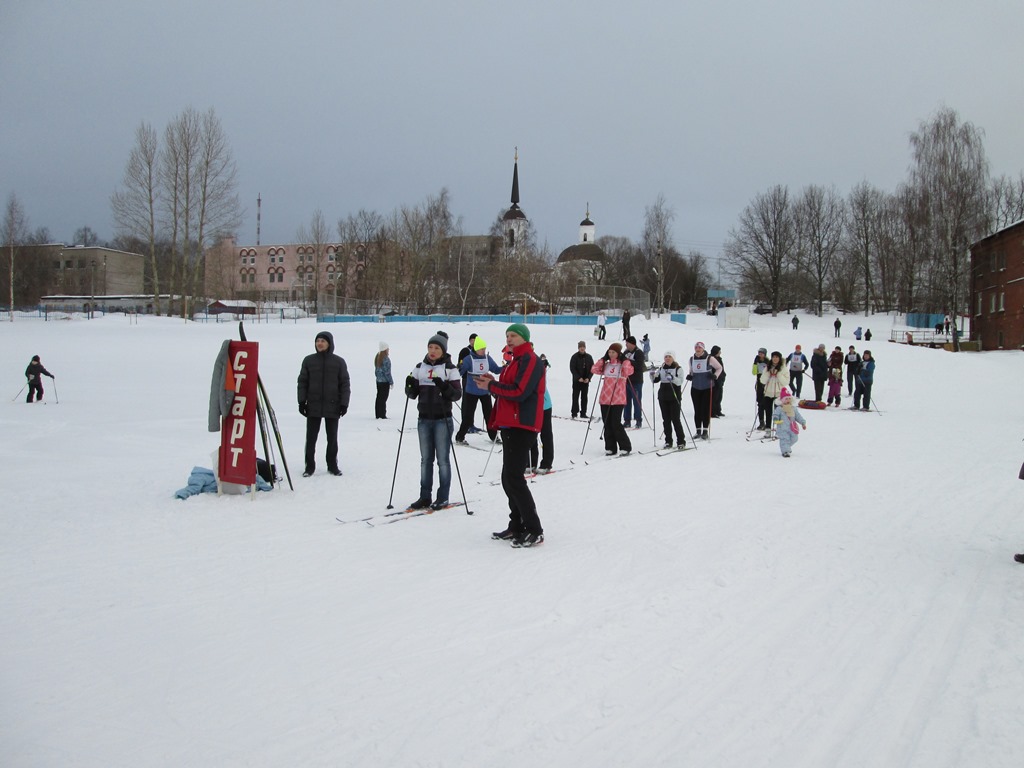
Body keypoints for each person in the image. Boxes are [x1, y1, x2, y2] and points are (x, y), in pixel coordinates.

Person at [475, 323, 546, 548]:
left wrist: (492, 385)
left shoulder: (531, 360)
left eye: (514, 335)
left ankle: (534, 529)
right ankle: (516, 525)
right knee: (508, 478)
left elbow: (520, 392)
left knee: (514, 478)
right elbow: (505, 388)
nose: (509, 339)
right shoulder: (513, 361)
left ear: (524, 338)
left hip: (522, 424)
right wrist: (491, 382)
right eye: (507, 335)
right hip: (509, 423)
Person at [404, 333, 463, 509]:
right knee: (425, 460)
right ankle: (425, 496)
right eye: (430, 347)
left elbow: (457, 395)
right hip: (424, 419)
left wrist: (444, 386)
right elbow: (412, 395)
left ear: (443, 350)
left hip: (442, 420)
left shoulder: (450, 369)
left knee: (443, 460)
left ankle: (443, 496)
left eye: (437, 348)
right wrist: (409, 386)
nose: (433, 351)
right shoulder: (419, 367)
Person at [297, 331, 351, 477]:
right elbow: (302, 382)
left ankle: (332, 465)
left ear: (329, 344)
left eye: (323, 341)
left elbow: (344, 384)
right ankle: (309, 466)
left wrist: (344, 403)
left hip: (333, 405)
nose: (319, 343)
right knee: (311, 438)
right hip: (313, 405)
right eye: (317, 341)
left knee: (332, 438)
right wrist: (302, 401)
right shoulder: (308, 361)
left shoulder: (339, 362)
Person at [455, 336, 500, 444]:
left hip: (485, 391)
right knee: (468, 416)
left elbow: (496, 370)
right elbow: (459, 373)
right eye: (481, 349)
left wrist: (507, 367)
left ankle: (494, 437)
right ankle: (460, 437)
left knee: (489, 415)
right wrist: (458, 368)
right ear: (476, 349)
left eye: (484, 348)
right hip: (471, 392)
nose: (483, 351)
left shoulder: (487, 358)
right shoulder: (469, 359)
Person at [591, 342, 633, 456]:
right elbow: (594, 369)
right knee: (607, 423)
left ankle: (625, 446)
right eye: (609, 352)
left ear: (618, 353)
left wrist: (624, 360)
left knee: (616, 423)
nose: (611, 354)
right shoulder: (606, 364)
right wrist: (602, 359)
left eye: (613, 352)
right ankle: (610, 447)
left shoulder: (624, 364)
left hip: (618, 398)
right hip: (605, 398)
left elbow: (629, 371)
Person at [651, 351, 686, 449]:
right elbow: (655, 380)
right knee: (666, 420)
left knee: (675, 420)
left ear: (673, 358)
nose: (667, 358)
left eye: (669, 357)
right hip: (663, 397)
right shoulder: (662, 368)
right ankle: (668, 441)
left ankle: (681, 441)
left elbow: (679, 382)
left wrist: (672, 378)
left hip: (674, 397)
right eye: (666, 357)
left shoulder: (678, 369)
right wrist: (652, 375)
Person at [687, 341, 722, 439]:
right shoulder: (691, 359)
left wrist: (715, 375)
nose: (698, 350)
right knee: (697, 409)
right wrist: (690, 376)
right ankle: (698, 430)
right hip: (695, 387)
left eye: (700, 348)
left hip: (707, 387)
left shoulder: (710, 358)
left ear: (703, 349)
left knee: (705, 409)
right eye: (696, 348)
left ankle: (705, 431)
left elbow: (719, 368)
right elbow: (692, 371)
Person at [528, 357, 554, 474]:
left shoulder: (539, 372)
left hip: (544, 406)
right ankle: (531, 462)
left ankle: (547, 463)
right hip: (531, 406)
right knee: (531, 434)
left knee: (545, 434)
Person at [758, 350, 790, 432]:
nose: (775, 359)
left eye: (776, 357)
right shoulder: (768, 367)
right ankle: (768, 429)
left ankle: (779, 429)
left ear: (779, 358)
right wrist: (768, 373)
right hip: (768, 393)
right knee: (768, 412)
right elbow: (762, 380)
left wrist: (778, 374)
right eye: (773, 357)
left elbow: (786, 382)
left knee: (778, 413)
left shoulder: (783, 368)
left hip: (779, 393)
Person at [772, 387, 807, 458]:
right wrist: (776, 419)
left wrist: (803, 423)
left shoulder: (793, 408)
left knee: (795, 438)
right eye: (786, 399)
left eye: (789, 398)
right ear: (782, 400)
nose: (788, 400)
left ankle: (786, 447)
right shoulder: (780, 408)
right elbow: (775, 415)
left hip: (792, 427)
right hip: (782, 428)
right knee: (785, 439)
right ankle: (785, 451)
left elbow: (798, 416)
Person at [622, 336, 646, 428]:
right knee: (626, 401)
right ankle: (627, 420)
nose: (626, 345)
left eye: (627, 343)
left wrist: (628, 361)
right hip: (626, 380)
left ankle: (638, 420)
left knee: (637, 401)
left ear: (632, 344)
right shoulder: (626, 352)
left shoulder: (639, 352)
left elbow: (639, 366)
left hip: (636, 381)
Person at [569, 340, 594, 419]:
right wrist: (578, 378)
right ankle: (574, 412)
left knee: (584, 397)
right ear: (578, 348)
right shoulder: (574, 357)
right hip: (577, 381)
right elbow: (572, 368)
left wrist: (588, 378)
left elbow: (592, 369)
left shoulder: (589, 357)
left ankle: (583, 413)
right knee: (575, 397)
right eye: (580, 347)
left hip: (585, 381)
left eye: (583, 347)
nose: (582, 348)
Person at [374, 342, 393, 419]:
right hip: (385, 382)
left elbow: (377, 371)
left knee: (379, 398)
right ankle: (382, 415)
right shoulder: (386, 359)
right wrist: (391, 381)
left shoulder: (377, 357)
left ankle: (378, 414)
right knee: (383, 398)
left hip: (378, 381)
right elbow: (387, 372)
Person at [752, 347, 769, 428]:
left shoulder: (768, 361)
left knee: (766, 403)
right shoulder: (757, 361)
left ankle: (767, 422)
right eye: (759, 353)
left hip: (767, 384)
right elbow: (754, 372)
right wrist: (755, 364)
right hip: (759, 384)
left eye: (761, 353)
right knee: (760, 403)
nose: (760, 355)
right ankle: (761, 422)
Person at [709, 344, 726, 418]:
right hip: (714, 381)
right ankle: (712, 412)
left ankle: (718, 411)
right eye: (719, 351)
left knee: (719, 397)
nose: (720, 353)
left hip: (720, 380)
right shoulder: (711, 358)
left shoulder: (719, 358)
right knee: (714, 397)